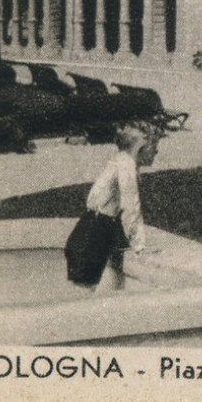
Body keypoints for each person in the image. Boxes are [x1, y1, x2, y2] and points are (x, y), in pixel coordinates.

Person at [64, 123, 158, 289]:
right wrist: (139, 245)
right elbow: (131, 207)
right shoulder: (126, 165)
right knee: (86, 296)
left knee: (102, 287)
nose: (156, 152)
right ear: (140, 147)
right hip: (95, 234)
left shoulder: (121, 160)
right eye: (154, 147)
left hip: (91, 228)